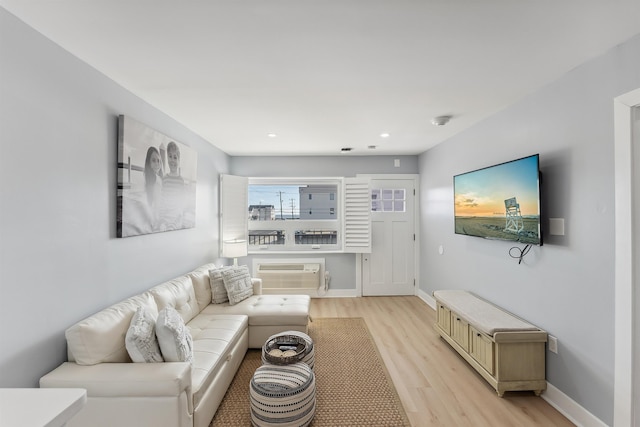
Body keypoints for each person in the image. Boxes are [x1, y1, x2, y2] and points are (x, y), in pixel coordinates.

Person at [158, 141, 186, 230]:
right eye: (170, 156)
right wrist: (162, 218)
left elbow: (182, 201)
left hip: (176, 216)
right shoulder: (165, 178)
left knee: (172, 230)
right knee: (162, 229)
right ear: (167, 158)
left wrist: (179, 216)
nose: (172, 160)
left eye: (175, 157)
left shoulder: (180, 180)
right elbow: (162, 198)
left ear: (178, 160)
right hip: (165, 215)